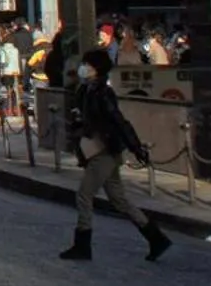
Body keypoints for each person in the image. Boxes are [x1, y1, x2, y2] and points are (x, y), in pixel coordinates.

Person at [60, 49, 172, 262]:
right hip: (98, 149)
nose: (84, 68)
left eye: (88, 65)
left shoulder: (102, 92)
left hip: (105, 150)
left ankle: (82, 244)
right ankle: (156, 238)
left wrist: (135, 147)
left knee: (84, 194)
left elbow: (118, 121)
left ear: (97, 69)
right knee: (119, 200)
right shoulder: (85, 90)